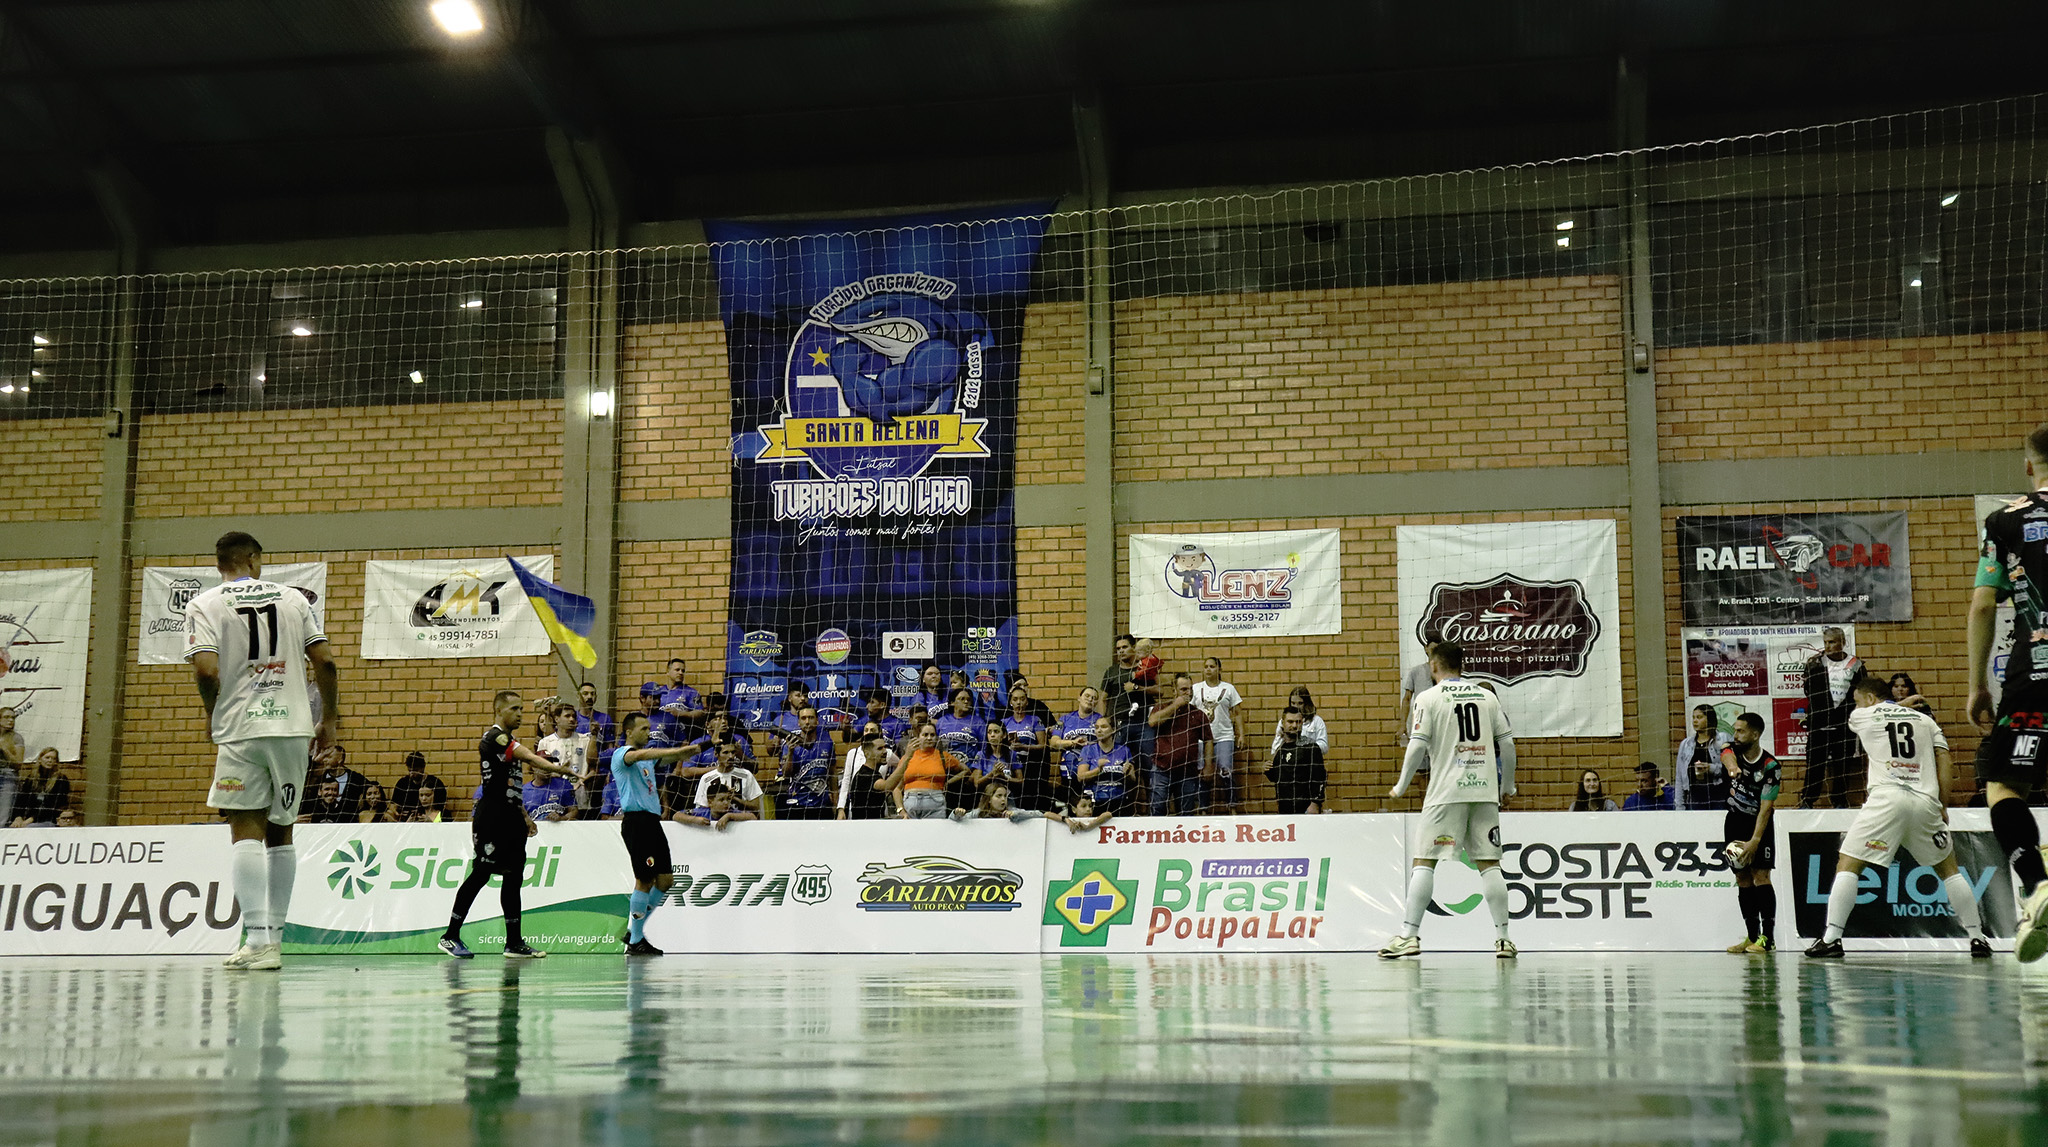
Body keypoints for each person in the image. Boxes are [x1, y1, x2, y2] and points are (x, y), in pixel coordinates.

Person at [184, 531, 338, 972]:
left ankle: (256, 942)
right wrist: (328, 720)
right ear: (253, 559)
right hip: (292, 728)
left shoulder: (204, 604)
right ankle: (277, 940)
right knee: (281, 831)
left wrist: (213, 713)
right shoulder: (293, 599)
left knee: (245, 831)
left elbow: (207, 671)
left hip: (241, 728)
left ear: (220, 564)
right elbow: (326, 662)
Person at [1806, 674, 1989, 959]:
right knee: (1949, 870)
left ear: (1869, 698)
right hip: (1925, 801)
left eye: (1858, 701)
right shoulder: (1927, 721)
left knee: (1849, 865)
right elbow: (1945, 760)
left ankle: (1831, 938)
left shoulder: (1862, 716)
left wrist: (1893, 706)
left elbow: (1880, 713)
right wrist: (1942, 804)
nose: (1857, 706)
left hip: (1887, 799)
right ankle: (1977, 938)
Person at [1381, 642, 1517, 960]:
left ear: (1433, 665)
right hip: (1484, 791)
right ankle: (1504, 939)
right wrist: (1507, 784)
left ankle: (1409, 936)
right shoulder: (1486, 697)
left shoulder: (1427, 698)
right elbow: (1508, 745)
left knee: (1424, 861)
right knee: (1490, 864)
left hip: (1445, 793)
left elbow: (1417, 746)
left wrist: (1401, 785)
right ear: (1462, 666)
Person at [1968, 424, 2048, 961]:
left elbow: (1982, 606)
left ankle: (2036, 885)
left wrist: (1977, 685)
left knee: (2003, 786)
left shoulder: (2006, 520)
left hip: (2034, 673)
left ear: (2028, 466)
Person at [439, 690, 580, 961]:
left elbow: (513, 787)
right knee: (481, 873)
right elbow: (529, 757)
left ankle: (513, 942)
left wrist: (525, 816)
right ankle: (450, 935)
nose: (520, 714)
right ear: (499, 711)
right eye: (514, 709)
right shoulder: (495, 738)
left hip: (512, 816)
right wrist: (560, 769)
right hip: (492, 817)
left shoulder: (510, 742)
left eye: (521, 709)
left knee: (514, 877)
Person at [607, 709, 699, 957]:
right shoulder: (622, 754)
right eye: (644, 729)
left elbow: (670, 757)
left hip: (653, 822)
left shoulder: (648, 760)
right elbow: (644, 754)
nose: (649, 732)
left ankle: (634, 932)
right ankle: (636, 940)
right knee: (644, 880)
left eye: (649, 728)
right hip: (636, 822)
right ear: (629, 732)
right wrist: (677, 751)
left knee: (666, 881)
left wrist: (701, 745)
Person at [1720, 711, 1783, 955]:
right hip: (1734, 821)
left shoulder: (1770, 766)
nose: (1735, 735)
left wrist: (1756, 839)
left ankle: (1768, 938)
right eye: (1735, 730)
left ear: (1755, 735)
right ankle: (1752, 936)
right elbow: (1725, 753)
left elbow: (1766, 808)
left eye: (1741, 731)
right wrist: (1733, 767)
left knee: (1761, 876)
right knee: (1742, 878)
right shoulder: (1733, 751)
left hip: (1758, 824)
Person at [1799, 627, 1864, 808]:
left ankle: (1840, 800)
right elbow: (1809, 691)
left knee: (1842, 765)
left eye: (1832, 642)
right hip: (1819, 723)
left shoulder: (1856, 665)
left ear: (1843, 643)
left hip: (1844, 724)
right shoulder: (1815, 663)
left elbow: (1861, 692)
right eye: (1826, 642)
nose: (1828, 646)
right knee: (1814, 764)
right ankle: (1808, 800)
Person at [1147, 672, 1213, 817]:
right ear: (1174, 691)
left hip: (1187, 772)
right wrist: (1175, 705)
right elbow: (1152, 721)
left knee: (1186, 813)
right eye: (1184, 689)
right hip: (1162, 769)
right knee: (1158, 809)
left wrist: (1208, 765)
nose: (1188, 693)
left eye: (1190, 689)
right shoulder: (1162, 708)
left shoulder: (1198, 714)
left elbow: (1208, 739)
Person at [875, 724, 966, 819]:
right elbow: (897, 788)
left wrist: (948, 783)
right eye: (925, 735)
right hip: (910, 804)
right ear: (918, 737)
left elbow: (965, 771)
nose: (929, 738)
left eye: (932, 735)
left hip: (935, 803)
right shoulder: (908, 757)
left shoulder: (943, 756)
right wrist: (900, 810)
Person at [1192, 658, 1243, 814]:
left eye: (1212, 666)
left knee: (1226, 770)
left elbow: (1238, 713)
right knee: (1203, 772)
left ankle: (1232, 807)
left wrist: (1241, 735)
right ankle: (1203, 809)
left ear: (1219, 669)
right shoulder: (1196, 688)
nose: (1208, 669)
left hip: (1224, 736)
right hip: (1201, 738)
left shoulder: (1228, 689)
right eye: (1206, 666)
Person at [777, 705, 836, 820]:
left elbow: (833, 774)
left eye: (811, 717)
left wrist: (835, 802)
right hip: (797, 804)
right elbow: (786, 774)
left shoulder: (827, 743)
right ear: (799, 723)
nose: (807, 722)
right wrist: (790, 752)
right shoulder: (790, 744)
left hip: (822, 804)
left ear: (817, 721)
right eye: (803, 718)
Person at [1266, 707, 1327, 815]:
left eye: (1298, 722)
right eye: (1290, 722)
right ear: (1283, 723)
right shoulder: (1281, 749)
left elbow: (1320, 777)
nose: (1294, 725)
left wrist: (1315, 803)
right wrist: (1268, 769)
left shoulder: (1310, 747)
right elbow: (1278, 778)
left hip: (1306, 809)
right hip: (1284, 809)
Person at [1076, 715, 1134, 816]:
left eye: (1103, 727)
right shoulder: (1088, 750)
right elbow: (1080, 777)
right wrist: (1098, 769)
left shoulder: (1124, 750)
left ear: (1113, 729)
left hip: (1119, 801)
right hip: (1095, 802)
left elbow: (1133, 780)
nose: (1099, 730)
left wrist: (1127, 773)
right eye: (1096, 727)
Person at [1676, 704, 1731, 810]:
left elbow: (1731, 768)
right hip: (1695, 796)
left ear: (1709, 719)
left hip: (1719, 795)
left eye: (1699, 717)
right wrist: (1679, 805)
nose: (1695, 721)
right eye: (1693, 717)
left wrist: (1711, 768)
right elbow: (1679, 776)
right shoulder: (1686, 744)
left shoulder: (1723, 739)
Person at [837, 724, 897, 820]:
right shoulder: (854, 754)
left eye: (872, 730)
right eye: (866, 730)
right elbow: (846, 781)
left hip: (879, 805)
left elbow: (900, 768)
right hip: (861, 813)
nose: (868, 732)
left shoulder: (887, 753)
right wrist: (841, 808)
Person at [1396, 627, 1441, 749]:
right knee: (1421, 758)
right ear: (1426, 649)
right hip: (1421, 722)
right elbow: (1407, 699)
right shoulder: (1416, 671)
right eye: (1432, 649)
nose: (1434, 653)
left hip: (1440, 723)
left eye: (1437, 650)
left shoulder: (1446, 673)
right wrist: (1402, 724)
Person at [690, 741, 763, 815]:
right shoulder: (706, 779)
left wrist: (735, 799)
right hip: (715, 821)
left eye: (733, 752)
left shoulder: (746, 775)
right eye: (726, 752)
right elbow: (701, 809)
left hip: (741, 820)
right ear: (716, 754)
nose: (730, 756)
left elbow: (756, 807)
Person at [9, 748, 69, 827]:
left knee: (28, 828)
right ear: (40, 759)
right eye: (47, 757)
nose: (50, 760)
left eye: (53, 758)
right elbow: (21, 800)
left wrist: (28, 821)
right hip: (29, 819)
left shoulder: (61, 780)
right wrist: (18, 817)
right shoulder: (31, 778)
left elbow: (52, 807)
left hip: (49, 819)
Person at [660, 658, 709, 742]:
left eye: (683, 671)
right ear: (668, 672)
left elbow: (700, 713)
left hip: (684, 738)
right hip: (662, 737)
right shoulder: (659, 693)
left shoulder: (691, 692)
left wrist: (681, 713)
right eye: (677, 670)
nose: (680, 673)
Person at [391, 750, 447, 822]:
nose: (412, 774)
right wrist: (397, 813)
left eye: (415, 770)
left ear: (423, 767)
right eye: (410, 771)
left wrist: (429, 820)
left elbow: (441, 809)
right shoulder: (402, 783)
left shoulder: (436, 783)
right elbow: (393, 805)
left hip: (430, 820)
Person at [1271, 686, 1329, 755]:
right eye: (1293, 703)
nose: (1296, 706)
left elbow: (1324, 747)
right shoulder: (1283, 721)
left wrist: (1304, 750)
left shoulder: (1316, 721)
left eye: (1300, 703)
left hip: (1309, 758)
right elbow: (1275, 750)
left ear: (1306, 703)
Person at [674, 782, 754, 830]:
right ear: (710, 802)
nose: (726, 803)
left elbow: (752, 817)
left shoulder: (732, 812)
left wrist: (729, 816)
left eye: (728, 799)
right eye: (721, 800)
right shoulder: (702, 812)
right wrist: (695, 820)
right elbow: (676, 815)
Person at [573, 681, 615, 756]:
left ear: (596, 697)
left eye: (592, 694)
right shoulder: (572, 718)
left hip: (597, 759)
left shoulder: (605, 718)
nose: (589, 697)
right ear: (578, 696)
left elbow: (610, 746)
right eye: (585, 693)